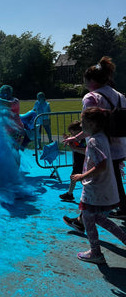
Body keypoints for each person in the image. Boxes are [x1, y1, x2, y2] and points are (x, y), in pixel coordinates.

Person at [63, 56, 126, 233]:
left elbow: (89, 125)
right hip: (119, 145)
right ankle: (114, 210)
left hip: (100, 145)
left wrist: (76, 138)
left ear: (91, 80)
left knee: (92, 183)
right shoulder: (120, 96)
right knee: (113, 179)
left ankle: (85, 219)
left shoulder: (91, 98)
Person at [70, 107, 126, 264]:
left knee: (88, 218)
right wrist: (76, 148)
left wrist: (82, 176)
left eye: (83, 122)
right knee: (100, 219)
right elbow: (93, 155)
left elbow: (101, 165)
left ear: (92, 123)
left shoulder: (94, 141)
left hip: (95, 189)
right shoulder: (101, 137)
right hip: (103, 187)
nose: (81, 125)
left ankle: (96, 252)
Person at [59, 120, 86, 201]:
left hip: (81, 161)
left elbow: (76, 147)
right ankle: (69, 194)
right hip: (79, 161)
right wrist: (68, 139)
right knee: (76, 178)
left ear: (78, 131)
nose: (72, 134)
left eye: (72, 132)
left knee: (78, 178)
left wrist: (69, 141)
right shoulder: (80, 139)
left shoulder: (82, 139)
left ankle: (70, 194)